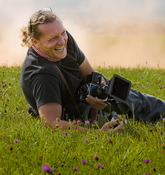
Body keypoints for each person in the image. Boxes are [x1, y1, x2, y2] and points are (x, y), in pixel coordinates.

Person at [20, 8, 165, 132]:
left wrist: (100, 94)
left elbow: (89, 72)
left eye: (62, 33)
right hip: (74, 113)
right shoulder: (42, 74)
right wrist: (98, 133)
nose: (62, 41)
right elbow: (52, 122)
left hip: (86, 94)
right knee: (117, 124)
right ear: (34, 42)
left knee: (126, 96)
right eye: (52, 38)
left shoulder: (64, 39)